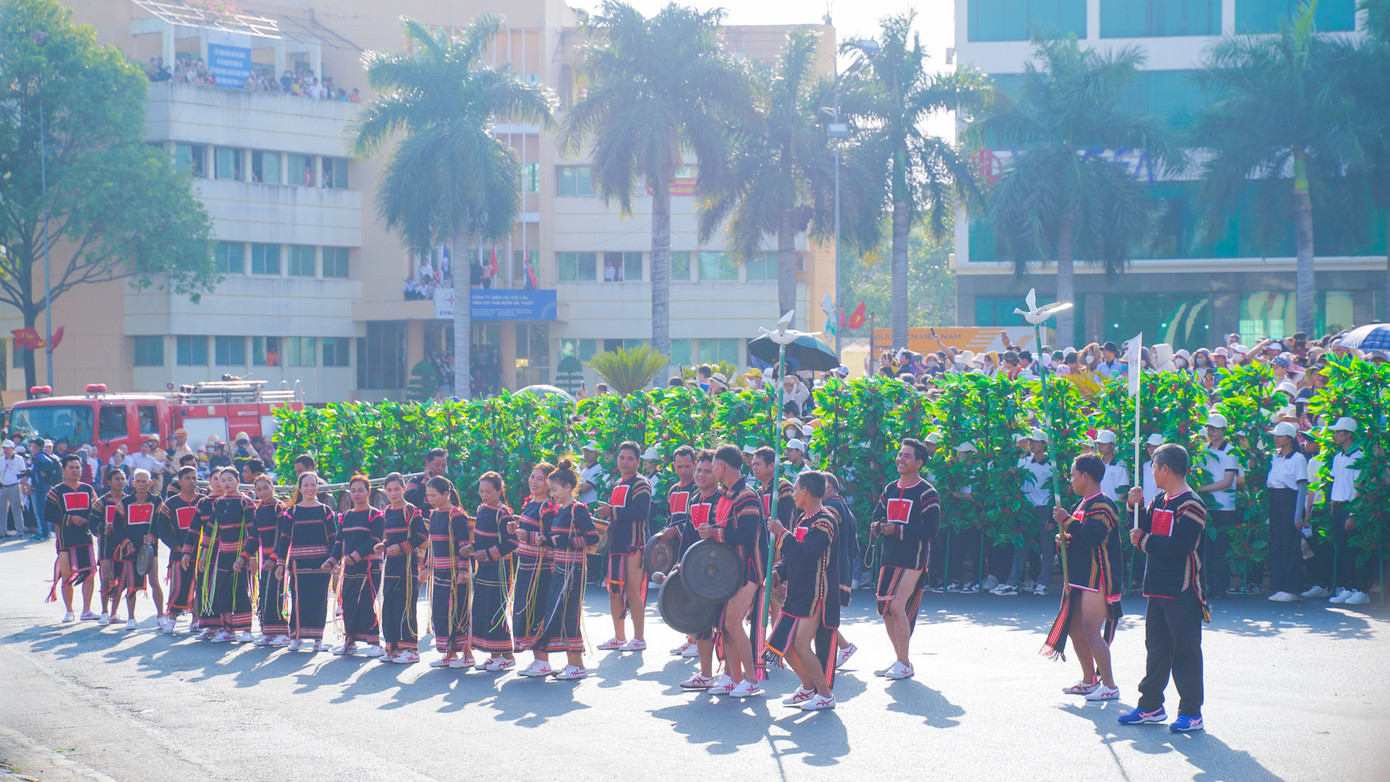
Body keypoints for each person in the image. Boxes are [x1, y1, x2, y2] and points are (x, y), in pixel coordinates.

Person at [1119, 443, 1208, 733]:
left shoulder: (1191, 504)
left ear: (1166, 469)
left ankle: (1191, 712)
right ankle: (1150, 706)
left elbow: (1180, 546)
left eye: (1155, 467)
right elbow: (1146, 526)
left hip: (1182, 588)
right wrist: (1135, 507)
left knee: (1185, 651)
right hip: (1157, 586)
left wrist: (1143, 540)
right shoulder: (1160, 498)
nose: (1153, 472)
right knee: (1156, 648)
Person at [1043, 455, 1124, 701]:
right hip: (1078, 577)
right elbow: (1078, 539)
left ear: (1086, 476)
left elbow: (1092, 537)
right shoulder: (1081, 505)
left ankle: (1109, 685)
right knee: (1076, 630)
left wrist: (1066, 521)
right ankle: (1089, 680)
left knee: (1090, 629)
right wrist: (1064, 540)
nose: (1071, 479)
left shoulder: (1105, 505)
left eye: (1074, 474)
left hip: (1097, 576)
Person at [766, 470, 840, 711]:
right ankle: (808, 687)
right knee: (781, 644)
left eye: (796, 489)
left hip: (816, 593)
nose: (794, 494)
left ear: (806, 491)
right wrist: (777, 573)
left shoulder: (825, 520)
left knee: (800, 643)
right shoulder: (803, 520)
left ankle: (826, 695)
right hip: (796, 592)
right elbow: (791, 557)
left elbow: (807, 553)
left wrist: (781, 533)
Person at [869, 438, 941, 680]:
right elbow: (877, 515)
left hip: (914, 558)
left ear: (919, 462)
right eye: (900, 454)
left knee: (898, 606)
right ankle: (900, 660)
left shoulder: (927, 492)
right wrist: (877, 526)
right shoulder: (889, 489)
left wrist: (898, 530)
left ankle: (905, 662)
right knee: (886, 608)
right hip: (889, 556)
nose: (900, 459)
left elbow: (932, 529)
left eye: (907, 456)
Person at [701, 444, 768, 697]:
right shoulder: (726, 494)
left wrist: (714, 533)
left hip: (749, 568)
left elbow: (748, 535)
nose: (711, 471)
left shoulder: (747, 495)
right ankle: (734, 678)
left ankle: (751, 681)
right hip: (729, 570)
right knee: (724, 624)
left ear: (721, 466)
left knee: (731, 622)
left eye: (713, 467)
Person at [524, 460, 599, 680]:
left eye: (555, 489)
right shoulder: (560, 511)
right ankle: (571, 663)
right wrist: (545, 539)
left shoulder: (578, 511)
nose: (552, 494)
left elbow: (592, 537)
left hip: (573, 571)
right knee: (558, 613)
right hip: (560, 569)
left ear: (568, 487)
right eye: (551, 490)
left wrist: (567, 541)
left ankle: (577, 665)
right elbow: (558, 538)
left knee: (569, 615)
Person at [186, 466, 256, 643]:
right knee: (222, 589)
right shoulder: (217, 503)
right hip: (222, 554)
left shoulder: (246, 502)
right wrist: (203, 554)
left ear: (238, 482)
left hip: (241, 554)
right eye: (222, 480)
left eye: (229, 480)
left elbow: (253, 532)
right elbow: (210, 530)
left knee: (241, 589)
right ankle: (227, 630)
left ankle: (247, 629)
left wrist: (250, 556)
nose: (225, 483)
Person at [593, 441, 651, 652]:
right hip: (616, 545)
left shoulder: (641, 483)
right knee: (614, 591)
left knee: (633, 592)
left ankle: (639, 638)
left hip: (634, 545)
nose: (625, 461)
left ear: (638, 462)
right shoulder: (618, 483)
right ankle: (619, 637)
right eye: (622, 457)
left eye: (630, 458)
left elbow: (641, 512)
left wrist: (612, 512)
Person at [273, 471, 339, 652]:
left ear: (318, 487)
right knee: (298, 600)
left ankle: (318, 639)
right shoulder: (292, 512)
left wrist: (334, 562)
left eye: (314, 484)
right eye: (306, 485)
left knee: (319, 600)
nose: (310, 488)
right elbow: (284, 540)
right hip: (297, 564)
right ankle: (296, 637)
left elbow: (334, 539)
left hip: (321, 564)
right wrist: (280, 563)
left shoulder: (325, 511)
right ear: (300, 488)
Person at [325, 475, 385, 657]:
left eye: (361, 490)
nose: (357, 494)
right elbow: (339, 541)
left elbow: (375, 540)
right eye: (353, 490)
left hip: (369, 566)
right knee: (348, 603)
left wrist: (356, 555)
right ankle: (349, 640)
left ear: (368, 492)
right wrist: (331, 561)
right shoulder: (347, 516)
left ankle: (375, 643)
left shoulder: (375, 515)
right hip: (350, 566)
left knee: (366, 602)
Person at [376, 472, 428, 664]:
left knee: (405, 605)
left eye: (397, 489)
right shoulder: (388, 511)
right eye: (389, 490)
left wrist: (402, 547)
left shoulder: (411, 511)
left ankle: (411, 649)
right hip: (391, 566)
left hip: (407, 566)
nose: (393, 492)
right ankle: (392, 647)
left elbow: (422, 534)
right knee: (388, 603)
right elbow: (391, 537)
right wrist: (384, 544)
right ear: (384, 492)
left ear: (404, 489)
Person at [470, 472, 519, 670]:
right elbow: (481, 540)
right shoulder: (482, 509)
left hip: (499, 569)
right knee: (483, 610)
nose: (484, 495)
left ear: (500, 491)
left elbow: (512, 542)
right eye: (481, 491)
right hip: (484, 568)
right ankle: (494, 655)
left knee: (496, 611)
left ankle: (508, 655)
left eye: (489, 492)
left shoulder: (503, 514)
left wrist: (488, 553)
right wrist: (472, 549)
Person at [999, 430, 1056, 597]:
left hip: (1044, 509)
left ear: (1044, 444)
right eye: (1030, 440)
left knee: (1046, 549)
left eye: (1036, 441)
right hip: (1026, 510)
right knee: (1021, 547)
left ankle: (1043, 583)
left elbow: (1055, 491)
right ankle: (1012, 583)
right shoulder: (1024, 463)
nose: (1032, 443)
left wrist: (1052, 517)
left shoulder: (1051, 466)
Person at [425, 475, 474, 669]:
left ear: (446, 494)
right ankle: (449, 653)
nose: (430, 499)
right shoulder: (434, 514)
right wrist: (427, 569)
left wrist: (463, 571)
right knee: (441, 612)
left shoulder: (457, 515)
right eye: (428, 495)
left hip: (455, 574)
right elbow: (431, 546)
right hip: (439, 573)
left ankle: (467, 654)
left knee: (459, 612)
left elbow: (464, 545)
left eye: (433, 495)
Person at [513, 464, 557, 670]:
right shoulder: (531, 502)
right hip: (526, 564)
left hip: (541, 568)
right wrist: (516, 530)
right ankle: (537, 658)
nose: (533, 481)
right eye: (532, 477)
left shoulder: (549, 507)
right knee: (526, 609)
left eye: (540, 479)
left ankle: (543, 660)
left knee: (538, 609)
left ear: (549, 483)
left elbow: (552, 537)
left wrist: (527, 536)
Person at [46, 454, 99, 621]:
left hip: (85, 537)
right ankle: (69, 611)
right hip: (65, 539)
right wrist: (71, 519)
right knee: (67, 574)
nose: (75, 471)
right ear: (63, 470)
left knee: (89, 572)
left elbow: (96, 509)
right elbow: (49, 514)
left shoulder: (88, 489)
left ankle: (87, 610)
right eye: (71, 467)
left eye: (78, 467)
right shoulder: (55, 492)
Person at [659, 446, 700, 660]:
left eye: (687, 466)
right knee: (681, 592)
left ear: (694, 465)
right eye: (679, 466)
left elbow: (692, 521)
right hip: (675, 547)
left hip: (692, 547)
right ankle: (689, 638)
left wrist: (675, 530)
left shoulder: (698, 488)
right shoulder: (674, 489)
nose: (683, 470)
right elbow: (671, 517)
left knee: (694, 592)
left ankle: (696, 639)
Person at [1263, 422, 1309, 603]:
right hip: (1275, 499)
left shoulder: (1298, 458)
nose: (1275, 438)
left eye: (1279, 436)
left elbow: (1302, 487)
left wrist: (1298, 516)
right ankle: (1279, 586)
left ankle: (1291, 588)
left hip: (1290, 501)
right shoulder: (1275, 457)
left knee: (1290, 545)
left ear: (1289, 438)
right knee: (1277, 544)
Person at [1326, 417, 1370, 605]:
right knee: (1342, 549)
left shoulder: (1359, 457)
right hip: (1338, 506)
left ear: (1349, 434)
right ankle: (1349, 587)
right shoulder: (1337, 457)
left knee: (1354, 549)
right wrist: (1333, 506)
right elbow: (1337, 483)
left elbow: (1359, 487)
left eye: (1338, 432)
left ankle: (1362, 590)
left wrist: (1353, 513)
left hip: (1352, 507)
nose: (1335, 435)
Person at [1195, 414, 1239, 598]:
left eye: (1215, 428)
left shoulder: (1231, 451)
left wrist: (1200, 488)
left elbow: (1227, 481)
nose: (1211, 431)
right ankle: (1206, 586)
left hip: (1224, 506)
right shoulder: (1203, 449)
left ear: (1223, 430)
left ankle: (1220, 587)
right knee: (1206, 548)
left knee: (1221, 548)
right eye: (1209, 428)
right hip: (1206, 504)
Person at [243, 474, 288, 646]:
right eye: (258, 489)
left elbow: (283, 536)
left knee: (277, 593)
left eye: (265, 488)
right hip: (265, 559)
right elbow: (254, 538)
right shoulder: (258, 511)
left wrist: (275, 558)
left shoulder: (280, 508)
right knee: (265, 592)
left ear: (272, 487)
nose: (262, 492)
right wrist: (244, 557)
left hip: (280, 559)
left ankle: (283, 631)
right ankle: (268, 631)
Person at [157, 466, 203, 633]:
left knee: (200, 586)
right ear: (180, 481)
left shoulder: (203, 501)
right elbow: (162, 528)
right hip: (178, 552)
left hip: (200, 554)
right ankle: (172, 617)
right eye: (188, 478)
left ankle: (196, 620)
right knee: (177, 586)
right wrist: (177, 546)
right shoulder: (171, 503)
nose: (192, 481)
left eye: (195, 478)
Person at [93, 468, 132, 626]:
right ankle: (104, 612)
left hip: (124, 546)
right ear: (109, 482)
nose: (120, 481)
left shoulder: (130, 500)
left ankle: (114, 613)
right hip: (107, 546)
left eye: (123, 478)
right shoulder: (101, 502)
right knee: (106, 577)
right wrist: (108, 528)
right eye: (117, 479)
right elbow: (92, 524)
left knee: (122, 579)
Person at [125, 469, 164, 625]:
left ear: (150, 483)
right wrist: (126, 542)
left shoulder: (157, 501)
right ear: (133, 483)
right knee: (132, 583)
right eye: (138, 481)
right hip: (131, 548)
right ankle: (131, 618)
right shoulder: (125, 502)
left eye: (144, 481)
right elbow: (118, 527)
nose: (141, 484)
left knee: (154, 580)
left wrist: (153, 536)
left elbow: (161, 524)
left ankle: (161, 616)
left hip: (150, 548)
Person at [0, 440, 28, 537]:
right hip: (3, 487)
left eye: (7, 448)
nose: (6, 450)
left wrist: (24, 486)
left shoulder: (19, 459)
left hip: (14, 486)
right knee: (2, 510)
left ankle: (20, 530)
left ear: (12, 449)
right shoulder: (1, 460)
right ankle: (1, 531)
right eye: (4, 448)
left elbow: (23, 473)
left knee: (16, 509)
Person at [1093, 430, 1129, 503]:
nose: (1100, 446)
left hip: (1114, 510)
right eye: (1099, 444)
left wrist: (1119, 512)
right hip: (1099, 508)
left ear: (1112, 445)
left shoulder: (1121, 466)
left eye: (1104, 444)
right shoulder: (1096, 464)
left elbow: (1123, 492)